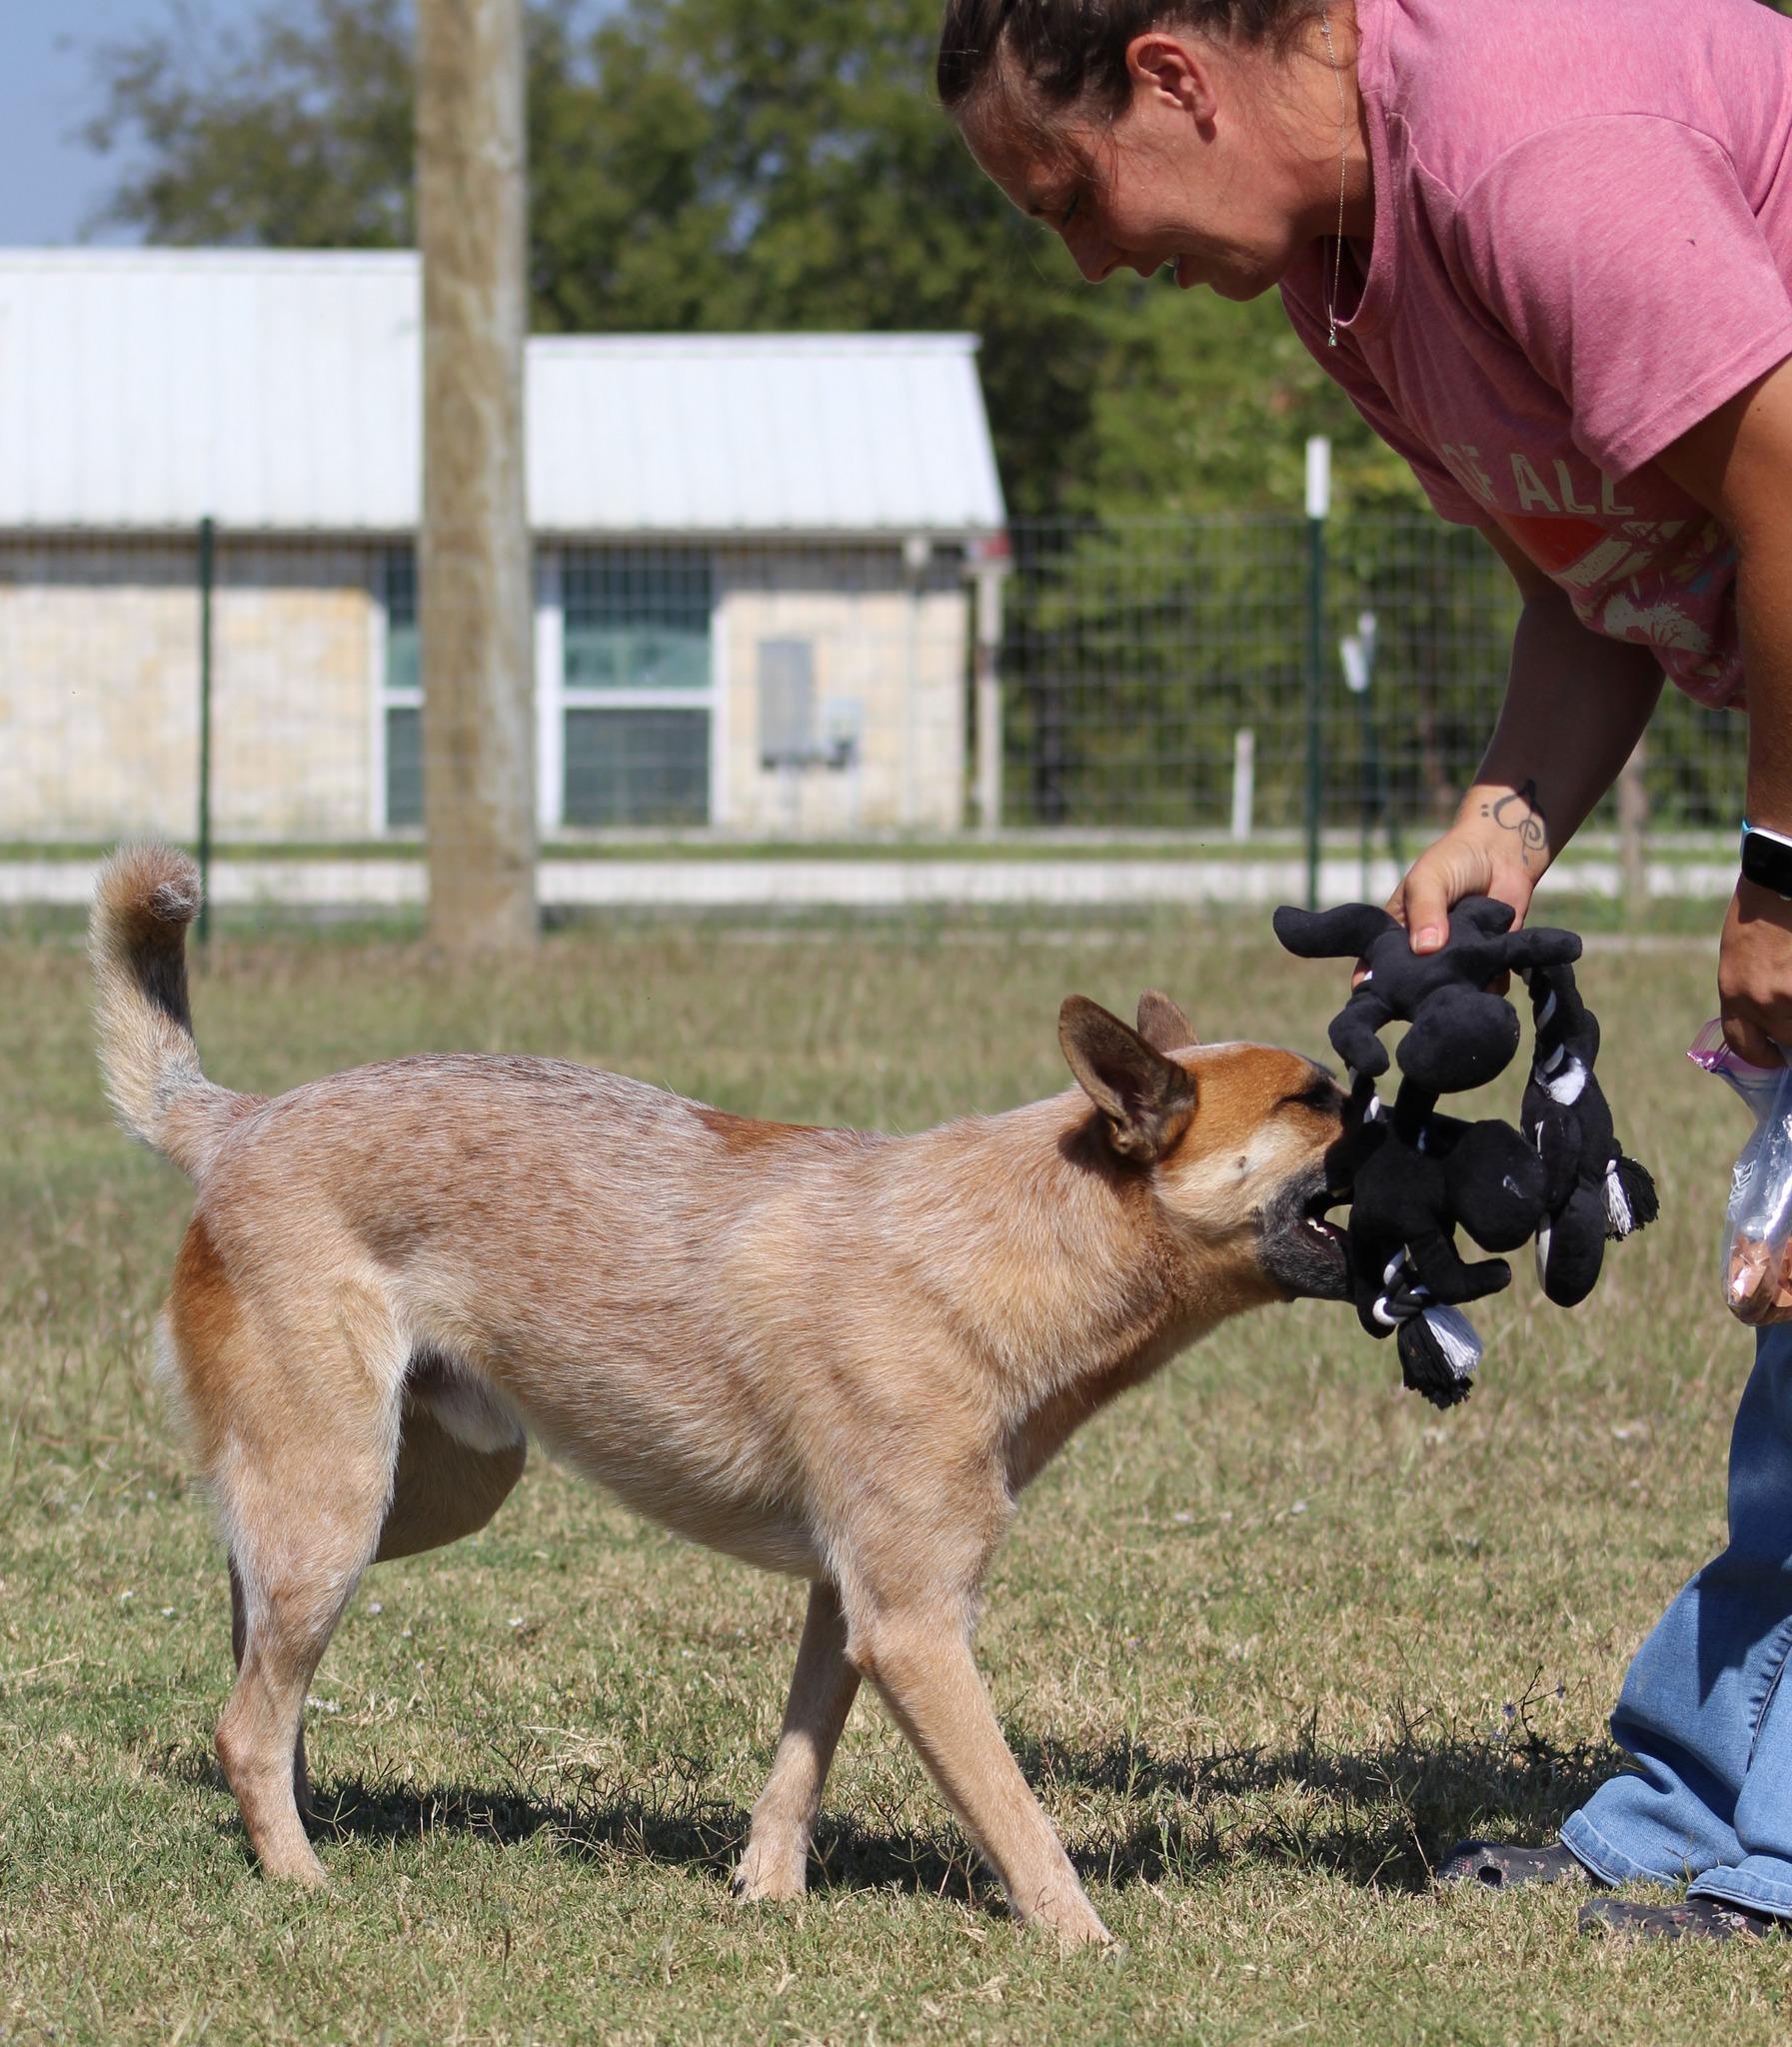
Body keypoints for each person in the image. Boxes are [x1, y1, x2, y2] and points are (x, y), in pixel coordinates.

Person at [936, 0, 1792, 1943]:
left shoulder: (1519, 143)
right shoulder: (1355, 273)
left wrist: (1784, 871)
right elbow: (1612, 560)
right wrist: (1509, 815)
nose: (1086, 257)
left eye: (1070, 192)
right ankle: (1693, 1805)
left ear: (1173, 75)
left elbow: (1789, 472)